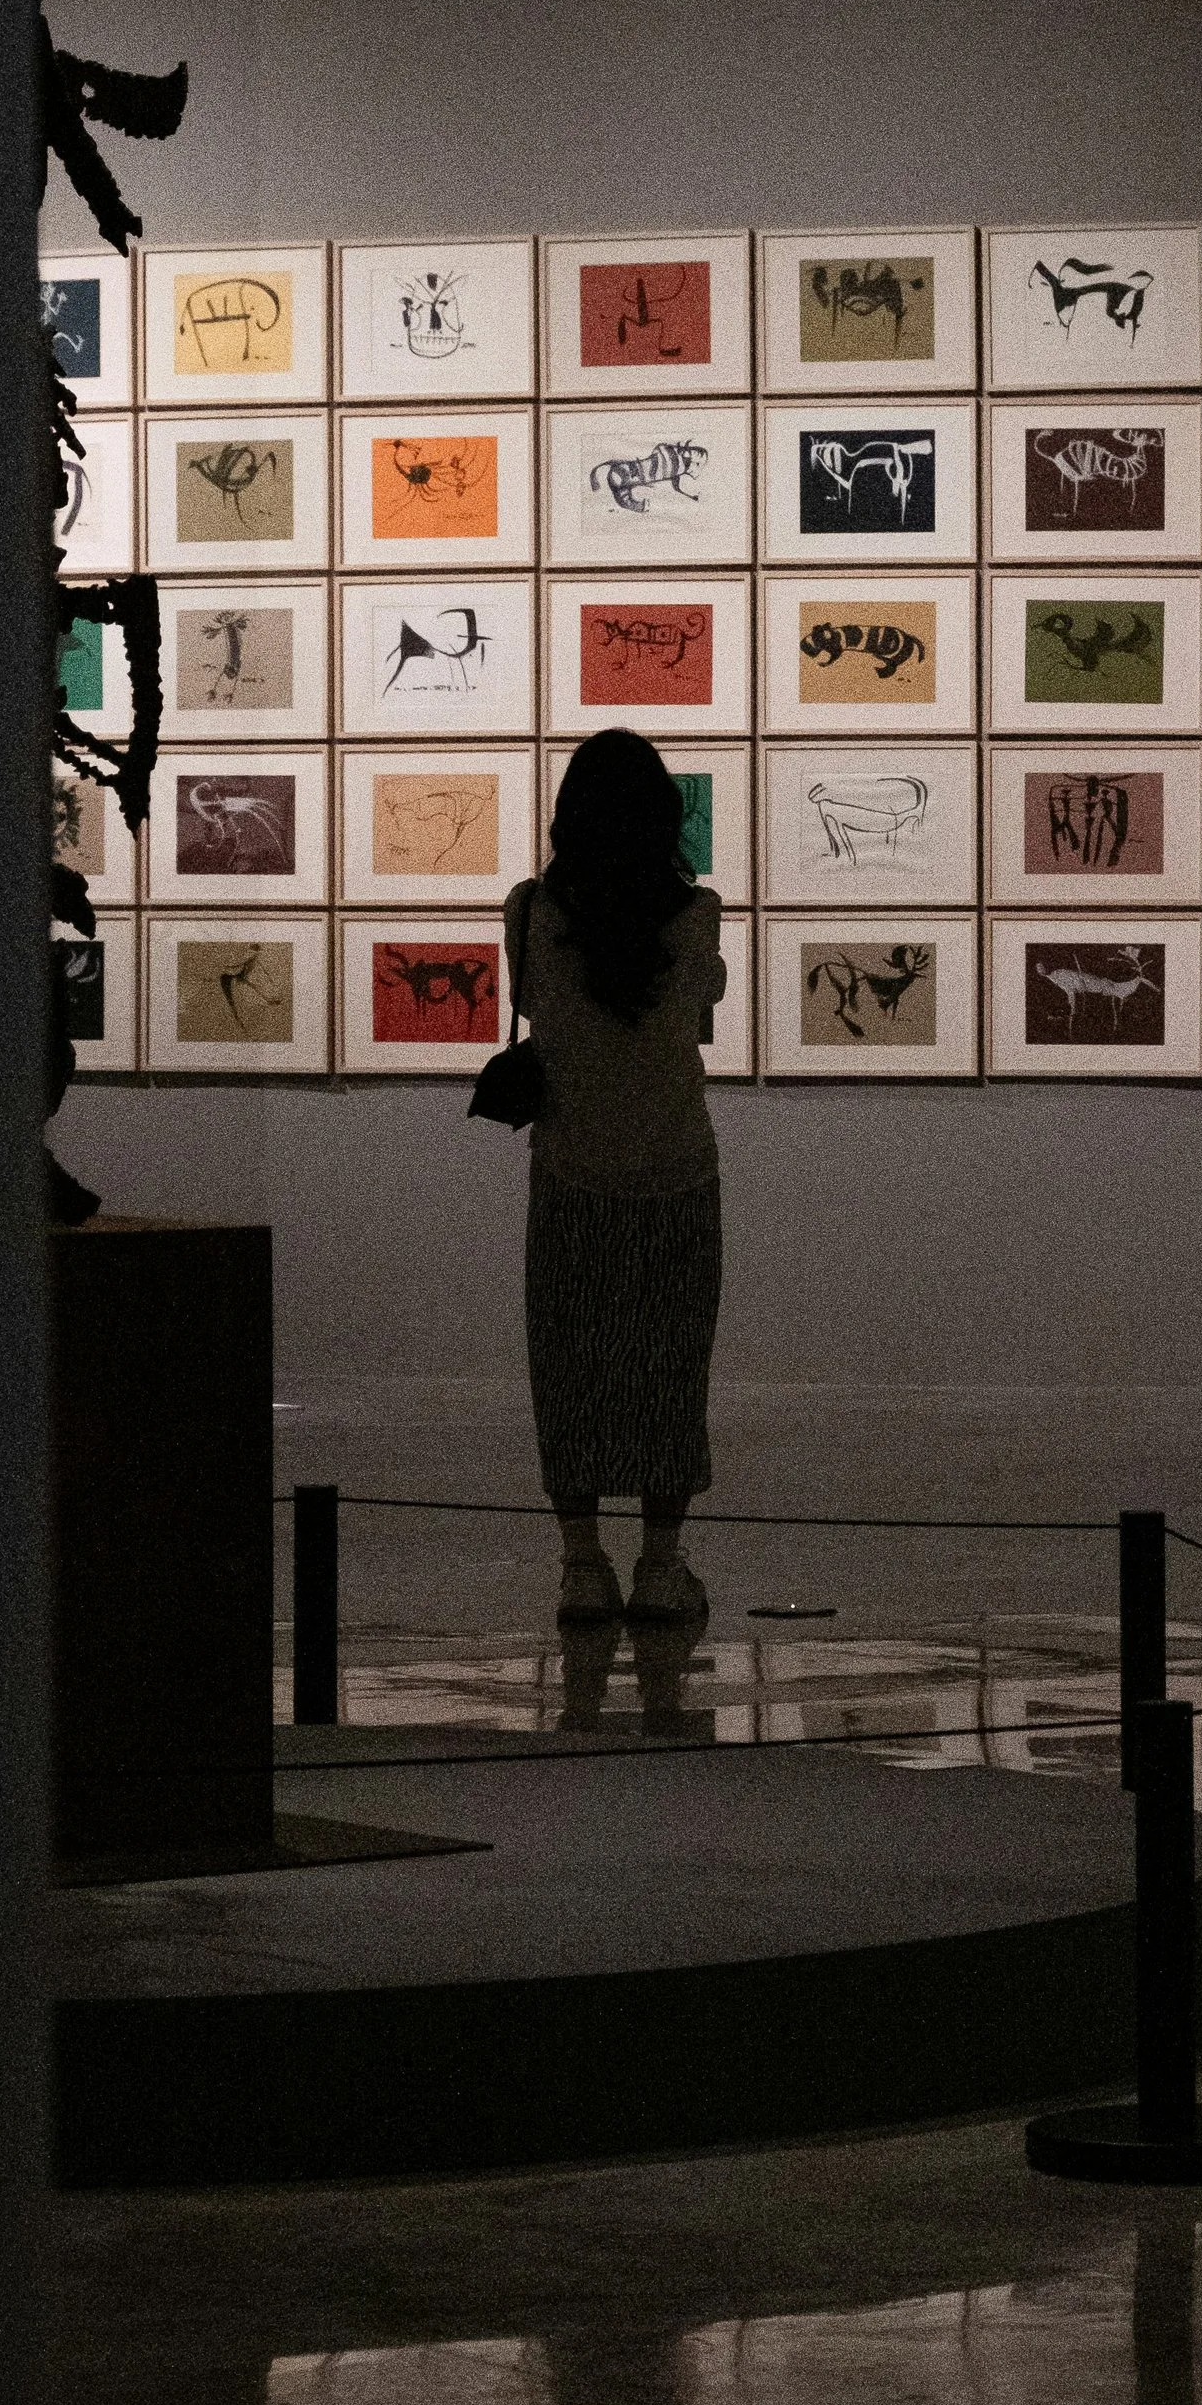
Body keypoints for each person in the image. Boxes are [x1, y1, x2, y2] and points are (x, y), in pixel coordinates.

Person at [504, 731, 725, 1710]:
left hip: (570, 1173)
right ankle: (659, 1564)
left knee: (571, 1366)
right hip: (676, 1169)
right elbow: (698, 1011)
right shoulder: (698, 916)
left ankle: (580, 1564)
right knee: (671, 1368)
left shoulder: (530, 913)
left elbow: (531, 1007)